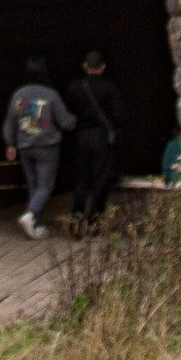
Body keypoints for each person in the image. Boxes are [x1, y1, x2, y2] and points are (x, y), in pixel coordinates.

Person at [1, 54, 74, 240]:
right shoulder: (51, 95)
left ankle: (38, 226)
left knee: (33, 186)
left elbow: (10, 122)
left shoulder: (18, 95)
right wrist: (75, 119)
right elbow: (65, 122)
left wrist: (10, 143)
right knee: (46, 186)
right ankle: (30, 215)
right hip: (47, 147)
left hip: (25, 146)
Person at [63, 50, 125, 233]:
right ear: (103, 67)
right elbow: (120, 115)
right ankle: (94, 222)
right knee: (100, 179)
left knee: (81, 178)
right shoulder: (109, 88)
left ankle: (76, 217)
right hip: (101, 138)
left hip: (81, 137)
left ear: (84, 66)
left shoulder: (75, 87)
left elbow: (67, 112)